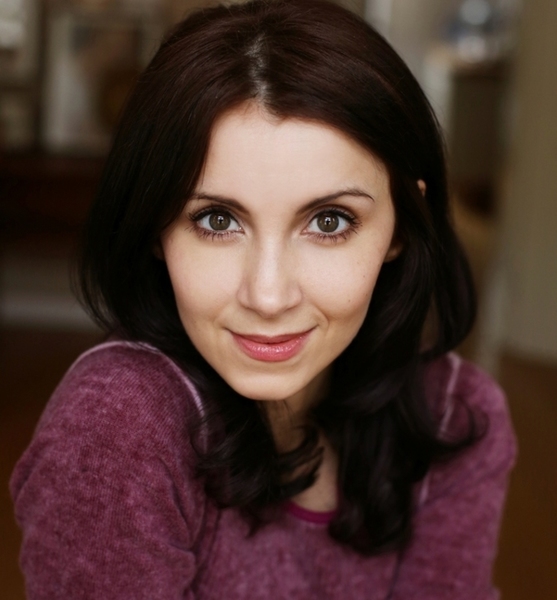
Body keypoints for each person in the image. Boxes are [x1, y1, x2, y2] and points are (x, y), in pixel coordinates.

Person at [10, 1, 516, 598]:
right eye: (217, 220)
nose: (269, 296)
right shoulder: (118, 428)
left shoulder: (456, 415)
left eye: (329, 221)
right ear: (153, 227)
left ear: (402, 225)